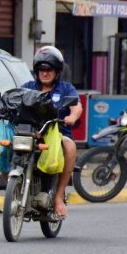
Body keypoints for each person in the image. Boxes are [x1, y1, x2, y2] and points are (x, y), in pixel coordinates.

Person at [20, 46, 82, 219]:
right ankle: (15, 189)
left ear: (57, 72)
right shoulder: (28, 87)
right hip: (31, 133)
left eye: (49, 70)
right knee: (4, 144)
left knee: (70, 147)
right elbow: (14, 100)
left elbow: (77, 106)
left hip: (58, 134)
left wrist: (72, 115)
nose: (45, 73)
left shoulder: (66, 89)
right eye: (41, 69)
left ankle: (58, 196)